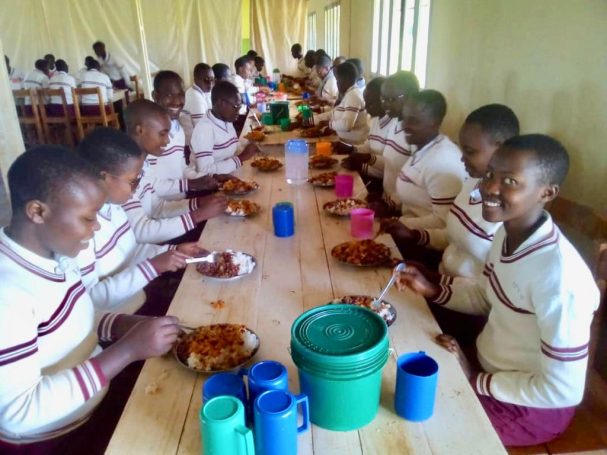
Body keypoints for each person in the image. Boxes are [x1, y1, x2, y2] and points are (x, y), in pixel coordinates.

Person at [394, 134, 600, 447]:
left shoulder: (560, 280)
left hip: (528, 408)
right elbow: (486, 296)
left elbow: (562, 390)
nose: (489, 187)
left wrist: (475, 380)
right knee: (400, 374)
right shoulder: (507, 233)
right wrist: (433, 289)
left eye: (510, 181)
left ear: (547, 192)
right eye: (490, 174)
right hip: (487, 370)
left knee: (416, 428)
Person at [0, 145, 180, 449]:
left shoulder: (56, 256)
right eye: (88, 218)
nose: (96, 228)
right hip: (60, 438)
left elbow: (73, 319)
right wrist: (126, 351)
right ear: (37, 211)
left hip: (96, 396)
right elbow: (18, 412)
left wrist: (123, 325)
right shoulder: (9, 294)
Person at [76, 127, 207, 315]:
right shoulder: (81, 229)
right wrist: (153, 266)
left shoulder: (114, 207)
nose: (136, 187)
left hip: (140, 296)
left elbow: (133, 250)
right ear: (104, 178)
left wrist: (174, 252)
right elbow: (92, 300)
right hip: (120, 319)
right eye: (133, 181)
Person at [387, 104, 520, 278]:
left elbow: (482, 294)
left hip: (457, 296)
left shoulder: (507, 213)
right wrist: (415, 236)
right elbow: (453, 237)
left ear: (500, 148)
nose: (461, 158)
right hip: (441, 279)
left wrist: (433, 285)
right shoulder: (472, 183)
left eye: (470, 151)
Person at [123, 99, 226, 244]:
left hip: (158, 234)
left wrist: (198, 203)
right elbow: (142, 231)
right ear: (140, 130)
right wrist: (197, 215)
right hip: (148, 246)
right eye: (162, 134)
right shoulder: (123, 172)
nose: (167, 141)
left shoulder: (142, 164)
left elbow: (157, 207)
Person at [380, 90, 467, 252]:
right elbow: (414, 191)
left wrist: (399, 223)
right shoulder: (423, 147)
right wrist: (388, 205)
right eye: (405, 118)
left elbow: (443, 222)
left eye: (414, 121)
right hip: (406, 231)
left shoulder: (443, 161)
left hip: (423, 247)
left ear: (435, 122)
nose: (404, 125)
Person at [368, 70, 419, 217]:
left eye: (391, 100)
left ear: (410, 97)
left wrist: (388, 203)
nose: (385, 105)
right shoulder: (395, 123)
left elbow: (413, 183)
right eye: (383, 99)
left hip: (403, 213)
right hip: (387, 201)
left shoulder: (416, 135)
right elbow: (390, 163)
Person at [187, 81, 260, 178]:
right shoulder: (204, 130)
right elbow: (205, 171)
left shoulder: (226, 121)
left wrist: (248, 146)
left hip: (229, 175)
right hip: (208, 187)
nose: (238, 111)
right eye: (236, 106)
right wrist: (241, 158)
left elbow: (234, 147)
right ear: (220, 103)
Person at [340, 76, 391, 189]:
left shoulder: (393, 127)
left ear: (383, 101)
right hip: (369, 175)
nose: (366, 108)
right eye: (366, 102)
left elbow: (391, 170)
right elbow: (368, 145)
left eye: (371, 103)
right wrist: (351, 148)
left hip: (379, 184)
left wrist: (361, 166)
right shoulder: (376, 120)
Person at [317, 62, 368, 145]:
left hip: (353, 145)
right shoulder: (349, 93)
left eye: (338, 80)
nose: (337, 83)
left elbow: (346, 125)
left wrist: (329, 124)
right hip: (343, 141)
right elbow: (334, 113)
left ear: (346, 79)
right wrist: (315, 119)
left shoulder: (353, 96)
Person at [183, 63, 215, 132]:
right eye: (206, 80)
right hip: (195, 138)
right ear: (196, 79)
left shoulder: (203, 92)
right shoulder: (195, 98)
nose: (210, 84)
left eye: (212, 79)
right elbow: (203, 128)